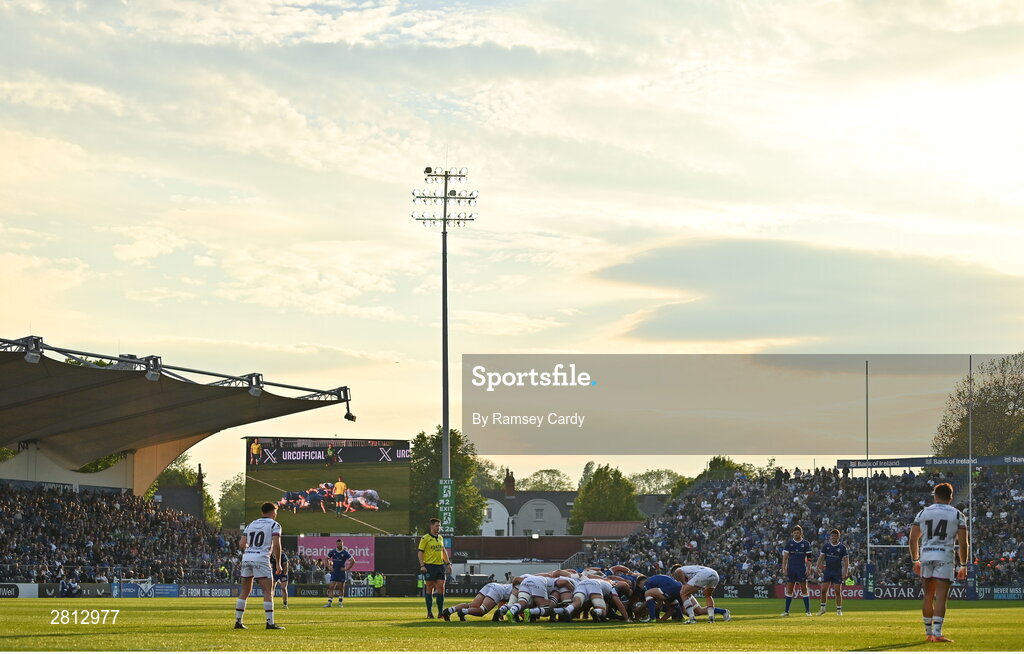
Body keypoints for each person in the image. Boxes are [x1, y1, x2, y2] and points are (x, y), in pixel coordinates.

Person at [909, 482, 968, 643]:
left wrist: (915, 560)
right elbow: (963, 543)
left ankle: (928, 633)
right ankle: (937, 632)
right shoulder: (957, 515)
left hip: (927, 556)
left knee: (928, 595)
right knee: (941, 596)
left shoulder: (923, 513)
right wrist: (963, 565)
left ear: (935, 496)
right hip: (945, 557)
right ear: (951, 497)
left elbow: (913, 539)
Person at [235, 502, 284, 629]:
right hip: (261, 558)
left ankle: (238, 622)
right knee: (268, 591)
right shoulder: (275, 525)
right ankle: (270, 623)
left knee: (245, 591)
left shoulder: (251, 524)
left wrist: (251, 550)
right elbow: (276, 544)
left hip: (247, 557)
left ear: (262, 512)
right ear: (273, 512)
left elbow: (241, 544)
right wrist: (278, 563)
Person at [417, 517, 452, 618]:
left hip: (440, 566)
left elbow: (443, 551)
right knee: (429, 588)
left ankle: (440, 612)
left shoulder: (440, 538)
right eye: (437, 525)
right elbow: (420, 552)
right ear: (431, 526)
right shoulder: (425, 538)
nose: (439, 528)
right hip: (429, 566)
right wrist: (422, 565)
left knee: (441, 587)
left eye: (439, 526)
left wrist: (448, 563)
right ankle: (429, 612)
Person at [780, 525, 813, 617]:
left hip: (801, 569)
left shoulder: (806, 544)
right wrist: (784, 568)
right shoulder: (789, 543)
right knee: (790, 589)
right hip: (792, 569)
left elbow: (809, 558)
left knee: (804, 589)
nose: (796, 534)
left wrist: (809, 568)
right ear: (792, 534)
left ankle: (807, 611)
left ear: (801, 533)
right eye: (794, 533)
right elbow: (785, 557)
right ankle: (786, 611)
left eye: (797, 533)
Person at [815, 528, 849, 616]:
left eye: (835, 536)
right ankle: (822, 609)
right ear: (830, 537)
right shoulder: (826, 546)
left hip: (837, 571)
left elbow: (846, 560)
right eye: (832, 536)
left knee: (837, 591)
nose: (833, 537)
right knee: (823, 590)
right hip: (828, 571)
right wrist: (817, 566)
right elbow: (821, 557)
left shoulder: (842, 547)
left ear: (838, 537)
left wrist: (845, 571)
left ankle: (839, 610)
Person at [442, 582, 512, 621]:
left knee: (472, 606)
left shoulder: (516, 585)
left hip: (493, 585)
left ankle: (449, 611)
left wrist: (501, 615)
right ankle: (463, 612)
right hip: (498, 591)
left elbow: (502, 602)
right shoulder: (520, 589)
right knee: (481, 611)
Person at [324, 539, 355, 607]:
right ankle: (329, 603)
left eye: (340, 544)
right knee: (331, 587)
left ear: (342, 544)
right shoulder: (333, 551)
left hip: (341, 572)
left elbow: (353, 561)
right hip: (334, 572)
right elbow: (326, 558)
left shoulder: (345, 553)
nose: (339, 545)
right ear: (336, 544)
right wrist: (329, 567)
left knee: (341, 588)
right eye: (338, 544)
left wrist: (347, 569)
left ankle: (340, 603)